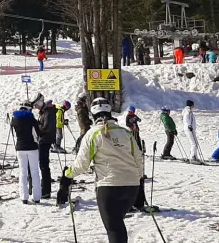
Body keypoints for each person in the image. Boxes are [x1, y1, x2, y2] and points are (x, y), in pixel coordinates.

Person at [60, 97, 144, 243]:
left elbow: (82, 165)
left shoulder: (93, 134)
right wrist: (139, 180)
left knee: (114, 230)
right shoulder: (126, 133)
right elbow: (138, 160)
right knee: (118, 226)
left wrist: (67, 175)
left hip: (109, 187)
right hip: (131, 187)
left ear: (93, 115)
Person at [11, 101, 42, 203]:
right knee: (35, 172)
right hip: (32, 147)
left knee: (23, 172)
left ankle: (24, 197)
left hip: (20, 148)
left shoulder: (14, 119)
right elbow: (38, 134)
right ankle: (37, 197)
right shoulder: (31, 119)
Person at [37, 99, 58, 197]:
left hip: (45, 140)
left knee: (44, 165)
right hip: (45, 139)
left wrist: (37, 128)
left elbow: (46, 127)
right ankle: (45, 188)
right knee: (43, 164)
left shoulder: (48, 113)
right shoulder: (47, 112)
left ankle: (46, 190)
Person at [182, 100, 201, 164]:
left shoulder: (188, 110)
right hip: (189, 129)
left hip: (190, 129)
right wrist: (189, 125)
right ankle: (193, 157)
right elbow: (186, 118)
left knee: (195, 143)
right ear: (191, 105)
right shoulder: (188, 111)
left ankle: (194, 156)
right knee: (194, 143)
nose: (194, 106)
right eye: (193, 104)